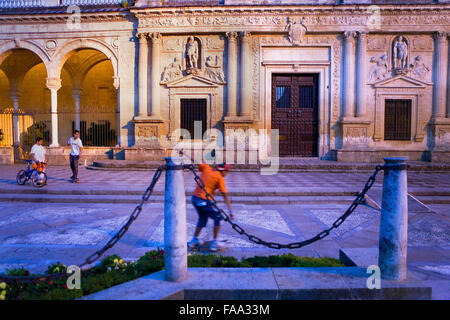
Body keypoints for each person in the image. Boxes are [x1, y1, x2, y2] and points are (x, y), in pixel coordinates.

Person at [181, 151, 234, 252]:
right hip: (203, 201)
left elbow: (196, 160)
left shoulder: (207, 168)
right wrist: (230, 211)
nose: (226, 174)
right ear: (223, 171)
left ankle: (194, 240)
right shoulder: (219, 178)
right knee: (218, 217)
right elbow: (225, 195)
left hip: (194, 199)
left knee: (203, 219)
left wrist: (184, 153)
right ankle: (214, 243)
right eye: (227, 172)